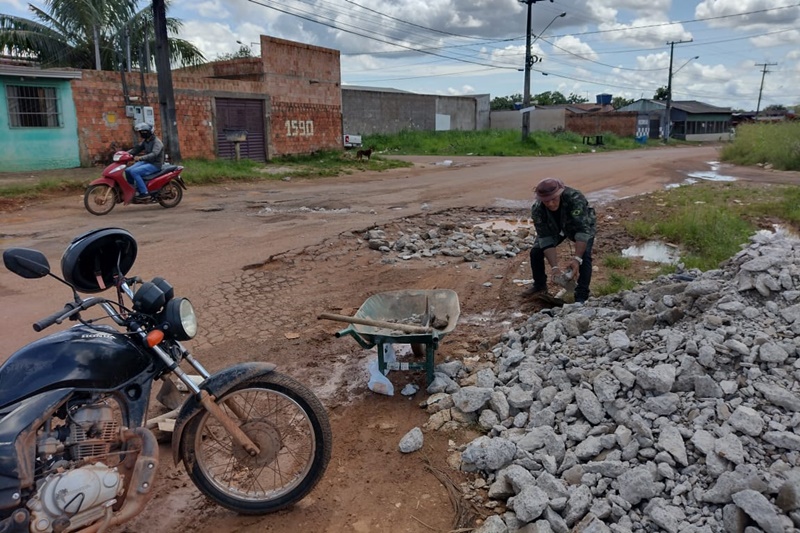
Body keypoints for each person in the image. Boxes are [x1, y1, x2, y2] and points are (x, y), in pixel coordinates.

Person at [526, 178, 596, 303]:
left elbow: (582, 230)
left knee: (584, 256)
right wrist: (554, 268)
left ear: (560, 194)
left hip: (578, 224)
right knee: (536, 252)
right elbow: (545, 238)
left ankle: (581, 295)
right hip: (554, 227)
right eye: (546, 201)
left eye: (553, 199)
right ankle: (539, 286)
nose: (550, 204)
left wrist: (576, 259)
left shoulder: (575, 198)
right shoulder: (537, 209)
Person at [126, 122, 165, 200]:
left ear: (149, 132)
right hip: (147, 162)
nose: (142, 133)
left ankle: (144, 192)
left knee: (135, 172)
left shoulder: (157, 142)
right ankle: (132, 189)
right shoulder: (146, 141)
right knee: (128, 170)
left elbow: (154, 154)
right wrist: (125, 154)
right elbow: (137, 149)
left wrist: (141, 158)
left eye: (144, 132)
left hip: (155, 164)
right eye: (141, 132)